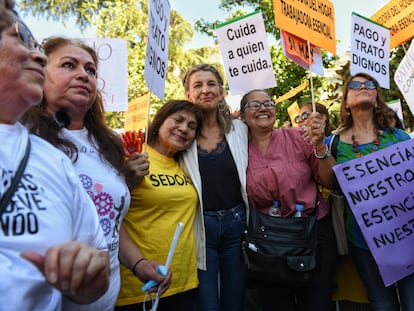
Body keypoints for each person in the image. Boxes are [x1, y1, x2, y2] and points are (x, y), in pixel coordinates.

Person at [21, 36, 172, 310]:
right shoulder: (21, 140)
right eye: (69, 65)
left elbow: (109, 221)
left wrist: (139, 264)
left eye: (90, 70)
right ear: (40, 74)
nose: (83, 75)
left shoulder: (109, 144)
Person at [0, 7, 110, 310]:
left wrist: (88, 279)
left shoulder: (50, 159)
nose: (38, 57)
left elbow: (99, 258)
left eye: (91, 70)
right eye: (21, 39)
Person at [309, 72, 414, 311]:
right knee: (382, 305)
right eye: (355, 85)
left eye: (370, 85)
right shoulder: (333, 143)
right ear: (346, 102)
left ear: (377, 99)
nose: (363, 87)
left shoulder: (398, 136)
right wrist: (318, 146)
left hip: (407, 237)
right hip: (364, 241)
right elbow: (329, 182)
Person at [239, 89, 337, 311]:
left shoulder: (298, 137)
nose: (263, 108)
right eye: (254, 104)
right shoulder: (238, 150)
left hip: (312, 237)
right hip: (268, 246)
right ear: (243, 116)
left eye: (268, 103)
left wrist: (320, 146)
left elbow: (329, 181)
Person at [116, 99, 203, 311]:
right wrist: (126, 179)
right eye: (178, 120)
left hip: (184, 282)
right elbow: (110, 212)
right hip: (140, 284)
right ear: (160, 121)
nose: (184, 129)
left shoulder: (187, 165)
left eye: (192, 127)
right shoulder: (132, 156)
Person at [181, 63, 249, 311]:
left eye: (211, 84)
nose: (205, 90)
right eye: (197, 85)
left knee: (235, 301)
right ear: (188, 95)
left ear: (221, 91)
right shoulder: (181, 134)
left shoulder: (241, 129)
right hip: (200, 227)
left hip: (236, 226)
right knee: (207, 304)